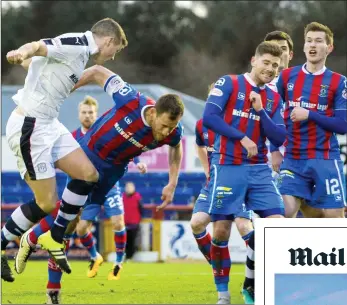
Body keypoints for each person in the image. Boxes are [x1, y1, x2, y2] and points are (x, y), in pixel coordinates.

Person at [15, 64, 185, 276]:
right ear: (152, 113)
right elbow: (97, 70)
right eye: (165, 125)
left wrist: (172, 182)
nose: (167, 132)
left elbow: (176, 147)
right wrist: (65, 89)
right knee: (71, 216)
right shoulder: (132, 100)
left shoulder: (173, 132)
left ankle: (33, 240)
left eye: (172, 127)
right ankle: (39, 256)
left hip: (112, 172)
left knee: (72, 218)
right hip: (88, 155)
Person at [1, 18, 128, 282]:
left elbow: (40, 63)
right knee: (46, 203)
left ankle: (56, 237)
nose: (113, 56)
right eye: (114, 51)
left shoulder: (82, 55)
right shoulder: (77, 44)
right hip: (29, 127)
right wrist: (22, 52)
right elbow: (38, 46)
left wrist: (28, 60)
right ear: (109, 40)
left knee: (88, 174)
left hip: (50, 124)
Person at [202, 41, 286, 304]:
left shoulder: (272, 98)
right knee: (221, 232)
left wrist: (261, 111)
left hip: (259, 170)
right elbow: (209, 117)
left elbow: (279, 136)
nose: (271, 69)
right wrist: (241, 137)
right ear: (254, 60)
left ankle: (256, 284)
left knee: (276, 226)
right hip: (227, 165)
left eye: (276, 65)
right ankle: (223, 295)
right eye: (267, 62)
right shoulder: (228, 83)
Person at [275, 22, 347, 219]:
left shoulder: (339, 82)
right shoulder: (287, 77)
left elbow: (342, 125)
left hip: (325, 158)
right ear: (304, 46)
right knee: (284, 210)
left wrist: (310, 114)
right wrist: (274, 150)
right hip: (294, 158)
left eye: (318, 41)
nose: (313, 45)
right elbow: (273, 111)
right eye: (308, 41)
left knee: (333, 216)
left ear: (329, 48)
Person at [190, 86, 254, 301]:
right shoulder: (202, 125)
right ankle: (219, 269)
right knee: (199, 223)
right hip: (214, 183)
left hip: (239, 181)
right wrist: (206, 167)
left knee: (242, 227)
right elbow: (199, 144)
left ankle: (259, 270)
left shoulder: (239, 123)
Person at [123, 182, 143, 260]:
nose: (128, 189)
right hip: (124, 222)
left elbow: (141, 209)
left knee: (133, 240)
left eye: (130, 187)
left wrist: (139, 219)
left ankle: (130, 256)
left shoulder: (137, 197)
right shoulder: (122, 197)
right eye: (127, 187)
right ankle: (127, 256)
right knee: (125, 240)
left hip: (134, 223)